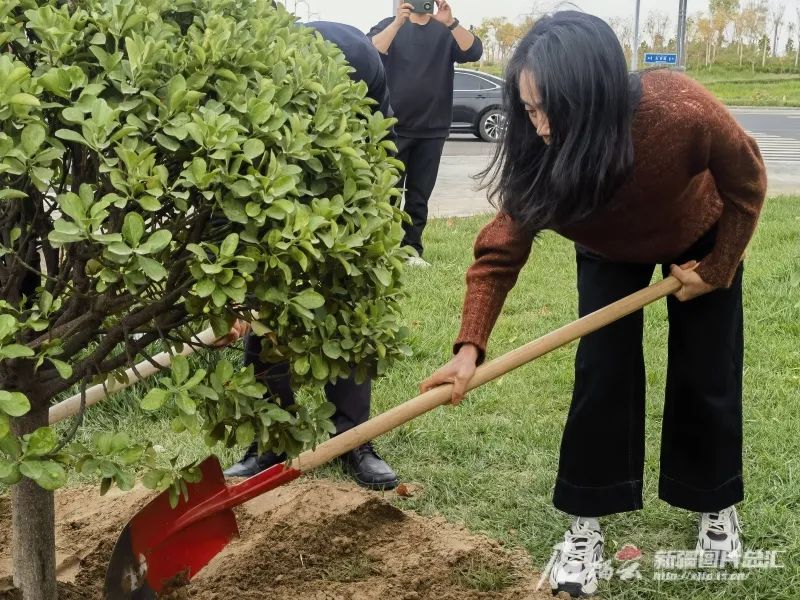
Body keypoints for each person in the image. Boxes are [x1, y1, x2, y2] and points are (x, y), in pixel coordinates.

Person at [421, 11, 766, 597]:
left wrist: (718, 268)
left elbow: (747, 180)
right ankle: (586, 526)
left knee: (707, 370)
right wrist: (468, 346)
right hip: (607, 248)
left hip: (698, 232)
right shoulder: (538, 144)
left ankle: (714, 505)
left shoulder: (680, 111)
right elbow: (500, 251)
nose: (540, 124)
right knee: (602, 375)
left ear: (597, 96)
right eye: (528, 108)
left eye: (550, 107)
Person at [223, 18, 398, 490]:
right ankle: (270, 440)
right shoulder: (258, 65)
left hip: (347, 194)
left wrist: (369, 225)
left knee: (349, 307)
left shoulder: (362, 61)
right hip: (269, 189)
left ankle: (352, 437)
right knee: (268, 311)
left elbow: (381, 148)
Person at [368, 0, 483, 266]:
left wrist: (451, 22)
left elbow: (474, 51)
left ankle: (412, 250)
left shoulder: (445, 30)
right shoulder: (389, 25)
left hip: (433, 128)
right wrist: (398, 22)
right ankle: (381, 250)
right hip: (394, 128)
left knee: (420, 195)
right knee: (388, 193)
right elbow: (372, 51)